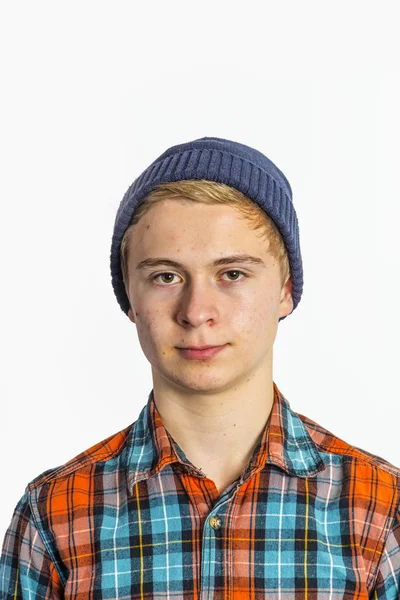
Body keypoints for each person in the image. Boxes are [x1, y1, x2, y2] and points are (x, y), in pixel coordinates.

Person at [1, 136, 399, 599]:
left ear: (286, 290)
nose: (196, 311)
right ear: (129, 297)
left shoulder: (381, 510)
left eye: (232, 274)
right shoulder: (53, 515)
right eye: (165, 276)